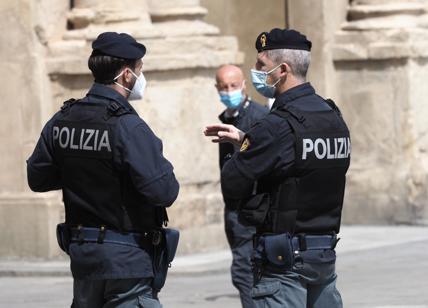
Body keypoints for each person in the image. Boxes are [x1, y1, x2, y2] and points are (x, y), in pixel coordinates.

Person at [27, 32, 179, 308]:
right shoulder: (128, 127)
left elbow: (37, 178)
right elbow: (164, 191)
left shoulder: (61, 120)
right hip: (128, 260)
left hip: (84, 257)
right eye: (139, 70)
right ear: (126, 75)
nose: (140, 77)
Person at [205, 28, 350, 308]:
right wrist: (248, 141)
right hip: (323, 256)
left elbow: (233, 184)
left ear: (282, 70)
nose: (256, 70)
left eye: (261, 65)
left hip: (284, 264)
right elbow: (301, 165)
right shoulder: (333, 117)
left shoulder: (276, 125)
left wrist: (247, 150)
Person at [215, 64, 268, 308]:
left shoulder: (257, 117)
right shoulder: (227, 118)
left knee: (244, 272)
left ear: (244, 85)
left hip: (252, 208)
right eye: (224, 87)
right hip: (235, 209)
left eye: (234, 86)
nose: (229, 91)